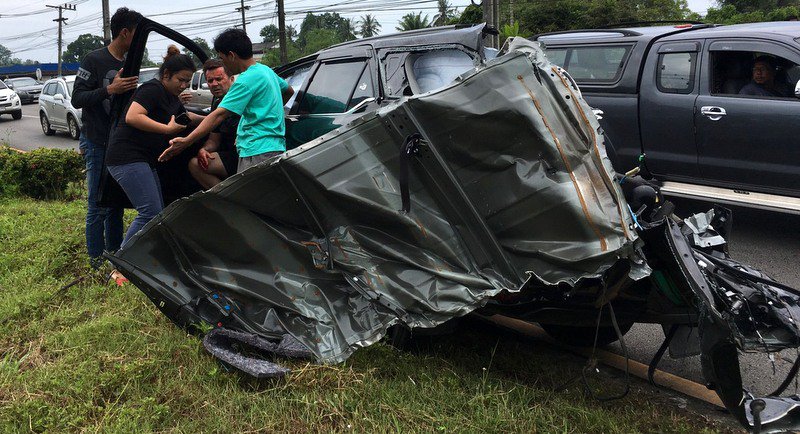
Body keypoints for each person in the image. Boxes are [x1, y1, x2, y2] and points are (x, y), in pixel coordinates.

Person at [105, 46, 204, 250]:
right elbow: (133, 116)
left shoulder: (170, 96)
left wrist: (215, 118)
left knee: (158, 213)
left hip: (143, 159)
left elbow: (187, 118)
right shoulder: (152, 89)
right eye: (181, 80)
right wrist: (167, 129)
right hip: (127, 158)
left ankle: (142, 259)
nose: (185, 85)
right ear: (166, 75)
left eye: (188, 81)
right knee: (149, 212)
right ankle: (121, 263)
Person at [160, 28, 294, 173]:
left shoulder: (245, 80)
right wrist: (270, 111)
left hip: (256, 150)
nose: (223, 64)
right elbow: (289, 91)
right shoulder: (265, 70)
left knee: (252, 194)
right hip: (274, 146)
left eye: (222, 59)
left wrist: (187, 141)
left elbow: (218, 115)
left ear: (231, 55)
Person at [72, 7, 142, 270]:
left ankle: (115, 256)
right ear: (124, 33)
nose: (140, 40)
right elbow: (77, 98)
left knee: (116, 204)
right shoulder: (94, 60)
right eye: (137, 34)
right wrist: (110, 89)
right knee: (97, 205)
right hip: (97, 141)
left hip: (120, 144)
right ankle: (95, 263)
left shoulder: (130, 62)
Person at [187, 59, 240, 189]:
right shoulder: (217, 103)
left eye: (219, 79)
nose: (214, 84)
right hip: (230, 155)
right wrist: (205, 150)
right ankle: (228, 199)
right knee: (195, 163)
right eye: (210, 81)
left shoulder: (241, 97)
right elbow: (214, 139)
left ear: (231, 79)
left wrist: (186, 141)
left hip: (247, 153)